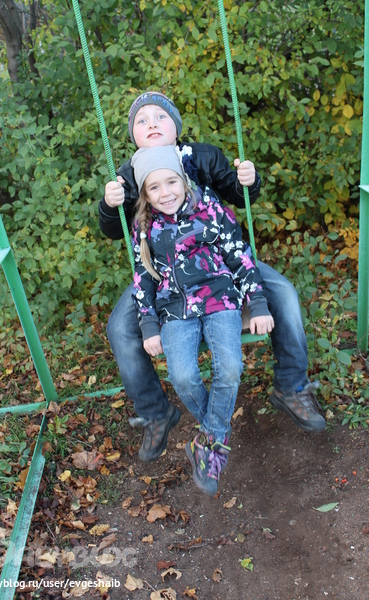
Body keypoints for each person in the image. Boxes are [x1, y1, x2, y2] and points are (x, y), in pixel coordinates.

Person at [99, 92, 326, 463]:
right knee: (120, 327)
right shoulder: (126, 177)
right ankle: (156, 412)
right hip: (163, 270)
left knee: (283, 293)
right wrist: (110, 206)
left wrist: (248, 181)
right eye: (141, 120)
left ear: (176, 126)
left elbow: (237, 194)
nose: (151, 123)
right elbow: (114, 229)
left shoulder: (202, 156)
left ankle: (291, 385)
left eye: (160, 116)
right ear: (133, 136)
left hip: (219, 259)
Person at [130, 145, 274, 495]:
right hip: (174, 308)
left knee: (230, 368)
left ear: (183, 179)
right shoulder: (144, 226)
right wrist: (148, 325)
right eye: (154, 187)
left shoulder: (210, 208)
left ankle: (208, 442)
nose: (166, 193)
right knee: (181, 375)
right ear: (145, 194)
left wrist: (257, 303)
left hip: (220, 298)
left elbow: (239, 255)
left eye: (171, 182)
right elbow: (142, 277)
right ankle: (215, 437)